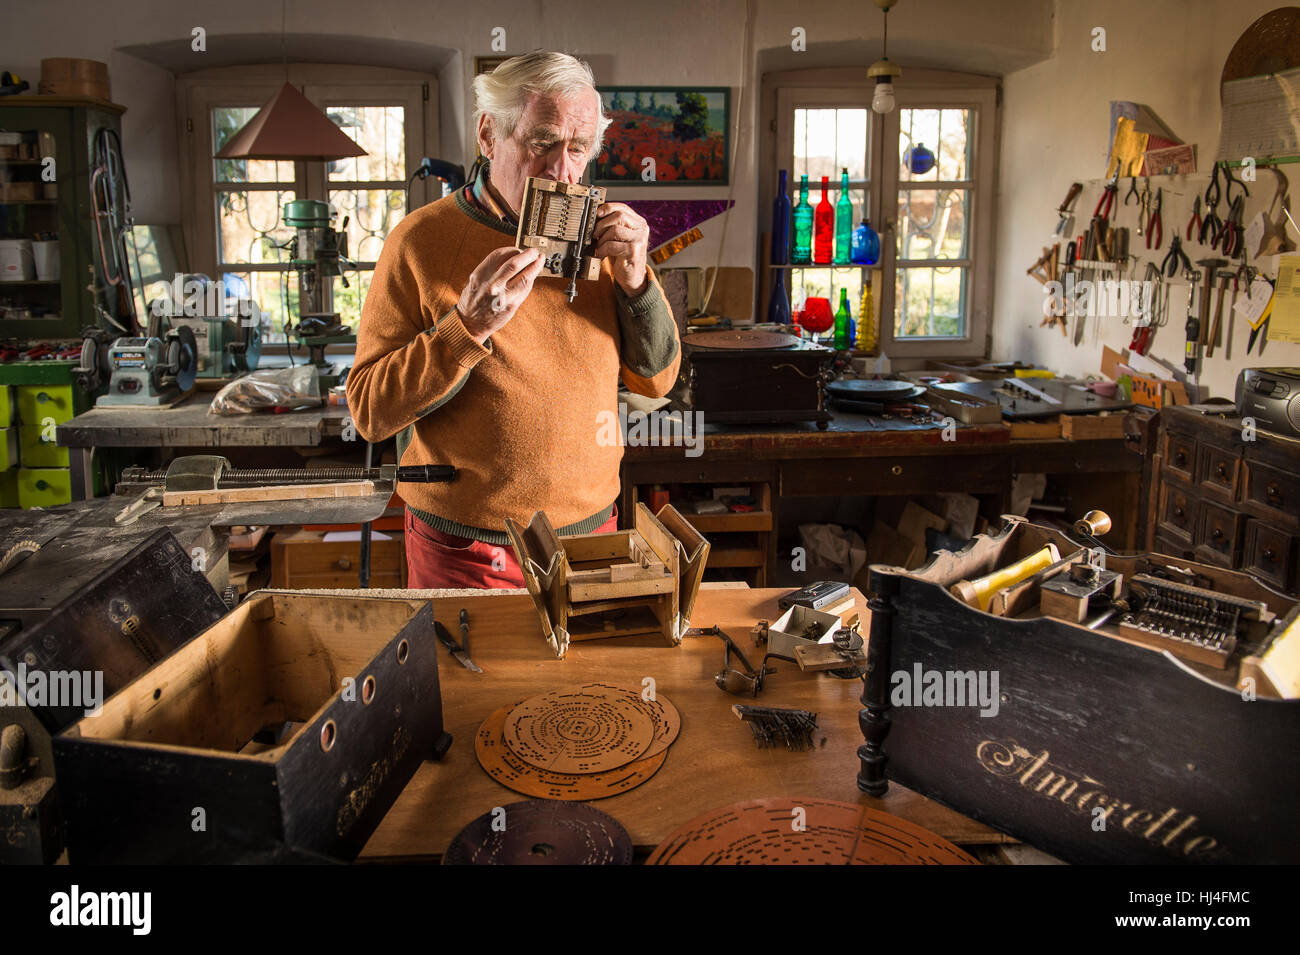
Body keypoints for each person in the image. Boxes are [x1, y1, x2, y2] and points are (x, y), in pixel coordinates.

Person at [346, 51, 681, 589]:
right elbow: (368, 410)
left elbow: (657, 381)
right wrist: (466, 329)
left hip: (594, 535)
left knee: (592, 678)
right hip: (466, 544)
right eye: (542, 142)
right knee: (470, 675)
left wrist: (637, 282)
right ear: (488, 135)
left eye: (577, 149)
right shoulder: (418, 241)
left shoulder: (607, 241)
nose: (561, 171)